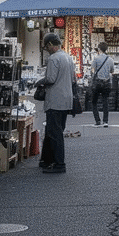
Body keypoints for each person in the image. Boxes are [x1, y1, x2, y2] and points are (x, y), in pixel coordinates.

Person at [39, 33, 76, 173]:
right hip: (66, 99)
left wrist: (39, 81)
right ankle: (46, 160)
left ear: (50, 45)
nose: (46, 50)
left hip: (55, 99)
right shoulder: (68, 57)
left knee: (55, 133)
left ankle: (59, 164)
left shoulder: (53, 58)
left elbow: (50, 78)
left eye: (46, 47)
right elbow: (73, 79)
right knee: (53, 130)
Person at [89, 41, 113, 127]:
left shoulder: (96, 59)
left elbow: (92, 70)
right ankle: (105, 121)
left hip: (97, 82)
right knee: (105, 102)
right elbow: (112, 71)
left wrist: (95, 74)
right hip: (106, 82)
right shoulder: (110, 59)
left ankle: (97, 121)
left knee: (94, 102)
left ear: (99, 49)